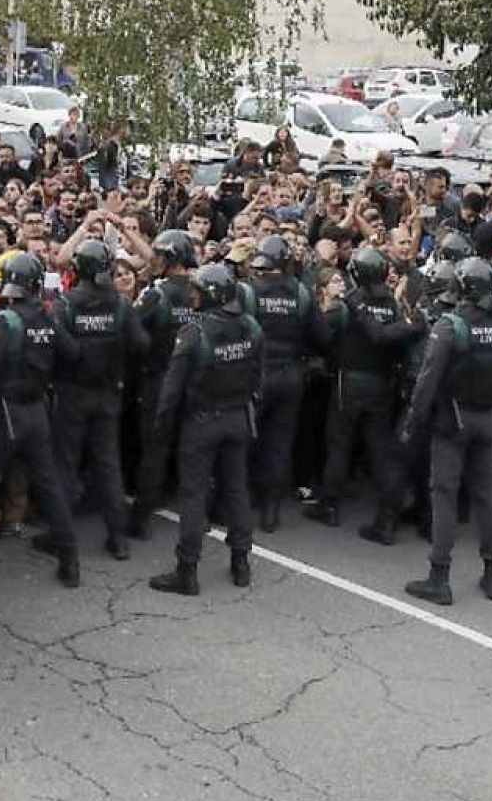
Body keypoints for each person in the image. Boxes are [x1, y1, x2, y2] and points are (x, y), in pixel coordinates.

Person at [401, 258, 492, 605]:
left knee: (445, 495)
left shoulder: (450, 326)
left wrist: (413, 421)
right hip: (488, 419)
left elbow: (427, 380)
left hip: (453, 421)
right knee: (486, 495)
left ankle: (439, 576)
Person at [148, 264, 264, 595]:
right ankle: (241, 561)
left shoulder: (193, 333)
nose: (192, 296)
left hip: (201, 422)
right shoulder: (251, 327)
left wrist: (161, 425)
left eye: (197, 291)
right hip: (238, 417)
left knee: (193, 495)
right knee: (237, 490)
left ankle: (187, 570)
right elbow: (258, 376)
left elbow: (172, 389)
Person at [0, 251, 80, 586]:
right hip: (37, 410)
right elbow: (72, 354)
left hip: (4, 412)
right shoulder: (47, 317)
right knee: (49, 486)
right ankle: (70, 562)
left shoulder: (4, 321)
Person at [312, 245, 420, 533]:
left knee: (339, 444)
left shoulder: (348, 305)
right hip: (382, 384)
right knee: (379, 449)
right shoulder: (394, 306)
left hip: (349, 382)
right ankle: (387, 514)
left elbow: (321, 336)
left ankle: (330, 506)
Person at [51, 239, 147, 559]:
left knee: (66, 465)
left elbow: (61, 348)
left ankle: (60, 537)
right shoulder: (119, 304)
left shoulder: (65, 304)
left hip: (72, 394)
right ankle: (118, 537)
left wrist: (81, 353)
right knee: (108, 465)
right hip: (108, 393)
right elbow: (140, 343)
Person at [246, 235, 326, 533]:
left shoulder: (251, 291)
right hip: (292, 374)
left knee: (249, 437)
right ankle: (271, 511)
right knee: (280, 443)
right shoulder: (302, 294)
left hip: (258, 374)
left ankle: (246, 497)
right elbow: (322, 338)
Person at [129, 230, 199, 537]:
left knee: (154, 451)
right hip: (194, 381)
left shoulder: (156, 294)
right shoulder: (202, 289)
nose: (154, 262)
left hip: (159, 379)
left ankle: (141, 517)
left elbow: (131, 327)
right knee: (191, 448)